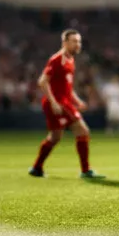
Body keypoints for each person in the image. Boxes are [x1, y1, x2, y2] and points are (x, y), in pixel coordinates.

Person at [28, 29, 100, 179]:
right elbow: (42, 81)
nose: (77, 44)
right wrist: (54, 103)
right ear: (65, 42)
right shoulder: (57, 59)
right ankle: (85, 170)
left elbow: (67, 87)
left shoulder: (70, 60)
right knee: (83, 131)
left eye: (79, 41)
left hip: (64, 102)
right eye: (74, 41)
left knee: (55, 137)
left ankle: (36, 168)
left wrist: (78, 101)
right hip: (58, 103)